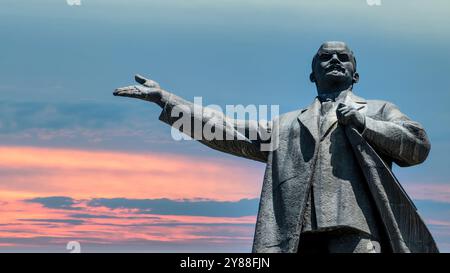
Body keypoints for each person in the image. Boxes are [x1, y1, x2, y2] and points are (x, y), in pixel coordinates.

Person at [113, 41, 438, 253]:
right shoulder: (286, 126)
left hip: (358, 237)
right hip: (298, 239)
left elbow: (418, 145)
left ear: (356, 75)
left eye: (344, 57)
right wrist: (166, 100)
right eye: (325, 57)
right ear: (312, 75)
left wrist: (365, 124)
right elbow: (227, 131)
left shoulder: (379, 110)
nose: (335, 60)